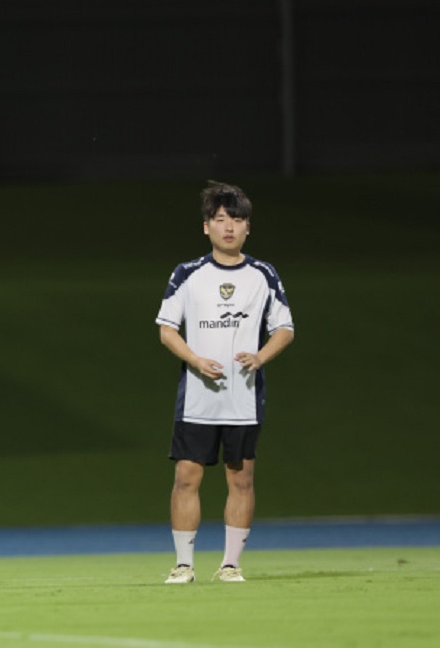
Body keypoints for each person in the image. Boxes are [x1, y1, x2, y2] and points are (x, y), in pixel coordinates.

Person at [155, 181, 294, 583]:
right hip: (198, 397)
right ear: (206, 227)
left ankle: (231, 565)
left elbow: (284, 328)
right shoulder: (187, 274)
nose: (228, 227)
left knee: (241, 476)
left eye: (237, 219)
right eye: (220, 219)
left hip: (243, 396)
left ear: (248, 227)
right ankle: (183, 565)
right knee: (186, 476)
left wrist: (261, 356)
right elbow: (166, 329)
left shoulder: (263, 275)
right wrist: (196, 360)